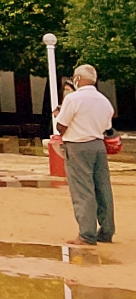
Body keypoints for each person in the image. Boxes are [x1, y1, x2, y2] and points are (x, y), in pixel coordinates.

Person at [55, 64, 116, 246]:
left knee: (83, 190)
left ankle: (86, 234)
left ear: (78, 79)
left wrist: (59, 117)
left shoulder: (73, 98)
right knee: (102, 188)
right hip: (98, 146)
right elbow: (106, 127)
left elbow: (61, 126)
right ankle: (106, 231)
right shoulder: (104, 101)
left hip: (78, 146)